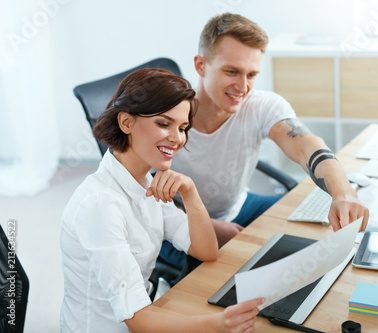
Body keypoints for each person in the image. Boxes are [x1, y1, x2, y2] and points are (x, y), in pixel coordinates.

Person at [60, 68, 264, 332]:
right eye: (163, 124)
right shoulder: (100, 205)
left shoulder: (146, 182)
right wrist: (218, 325)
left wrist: (190, 193)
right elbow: (138, 321)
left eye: (182, 128)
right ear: (126, 123)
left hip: (144, 314)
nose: (177, 138)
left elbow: (205, 250)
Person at [162, 13, 369, 268]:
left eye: (251, 75)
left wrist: (343, 192)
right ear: (200, 65)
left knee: (314, 236)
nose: (242, 86)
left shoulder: (260, 105)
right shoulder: (166, 116)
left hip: (240, 206)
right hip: (178, 223)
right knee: (228, 277)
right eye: (232, 71)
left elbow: (306, 145)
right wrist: (211, 227)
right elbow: (139, 195)